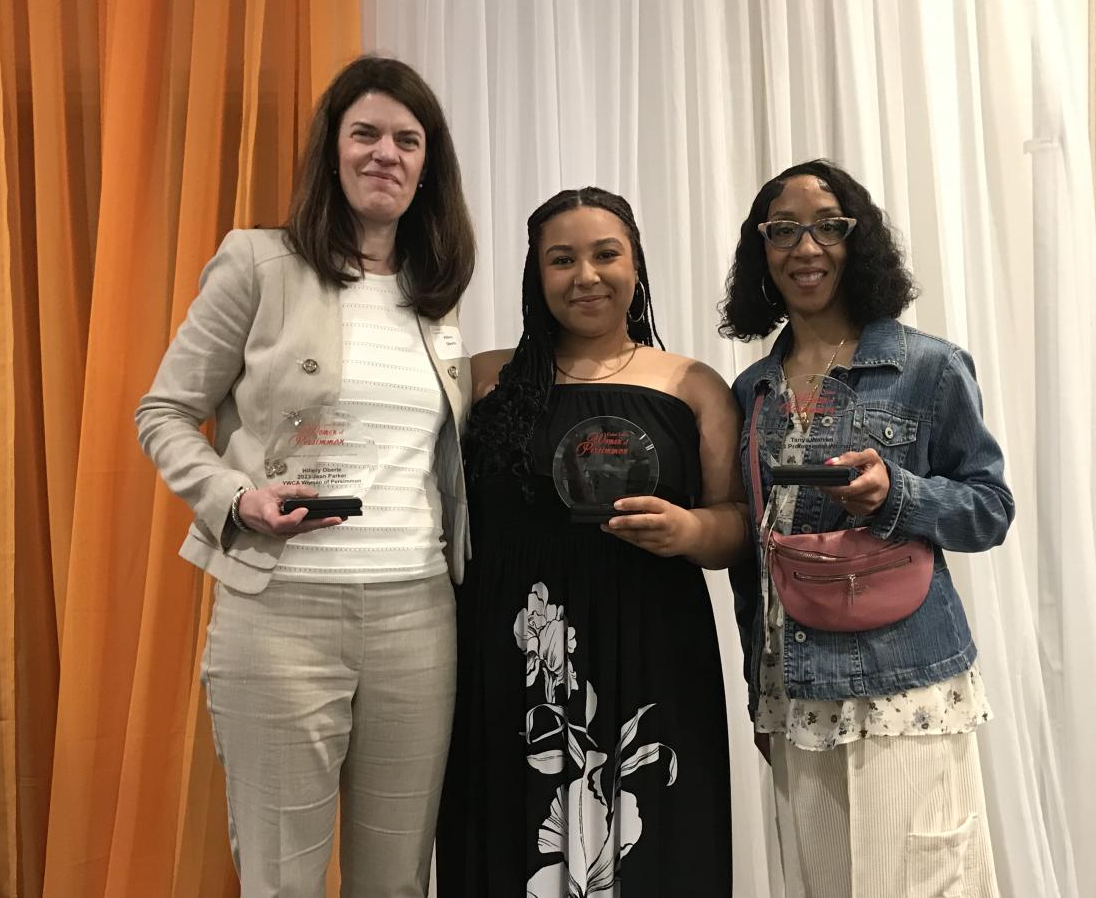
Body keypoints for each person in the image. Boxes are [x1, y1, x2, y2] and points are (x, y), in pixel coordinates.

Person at [135, 56, 476, 898]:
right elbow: (163, 412)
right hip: (280, 613)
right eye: (365, 134)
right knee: (282, 883)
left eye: (407, 139)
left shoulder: (435, 297)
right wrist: (235, 498)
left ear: (428, 164)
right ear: (333, 152)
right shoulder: (258, 263)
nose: (384, 154)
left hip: (419, 616)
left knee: (396, 883)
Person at [435, 187, 747, 896]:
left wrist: (691, 529)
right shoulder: (482, 379)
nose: (586, 276)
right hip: (510, 652)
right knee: (508, 843)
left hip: (651, 645)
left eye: (606, 254)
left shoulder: (693, 384)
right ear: (534, 275)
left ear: (636, 265)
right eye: (561, 259)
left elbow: (736, 524)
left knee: (652, 848)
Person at [723, 159, 1013, 897]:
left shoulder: (928, 368)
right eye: (782, 230)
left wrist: (896, 495)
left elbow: (989, 508)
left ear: (860, 242)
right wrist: (762, 686)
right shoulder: (753, 390)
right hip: (797, 692)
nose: (805, 246)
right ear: (762, 252)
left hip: (905, 685)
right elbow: (754, 556)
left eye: (828, 226)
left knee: (921, 884)